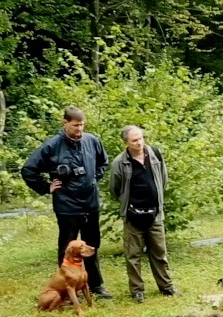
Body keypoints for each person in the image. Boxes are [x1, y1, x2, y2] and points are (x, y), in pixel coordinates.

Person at [22, 107, 113, 299]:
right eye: (75, 125)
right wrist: (46, 187)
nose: (79, 129)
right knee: (67, 247)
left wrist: (93, 178)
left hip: (90, 202)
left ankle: (96, 285)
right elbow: (28, 170)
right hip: (67, 205)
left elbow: (103, 161)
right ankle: (68, 287)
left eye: (82, 125)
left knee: (91, 245)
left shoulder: (91, 140)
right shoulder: (52, 146)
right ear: (65, 123)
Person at [109, 125, 178, 303]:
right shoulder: (119, 162)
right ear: (126, 142)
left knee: (159, 253)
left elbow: (164, 179)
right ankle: (137, 291)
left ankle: (167, 287)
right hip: (132, 215)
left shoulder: (155, 154)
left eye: (141, 138)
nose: (139, 143)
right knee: (133, 255)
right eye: (134, 140)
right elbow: (115, 189)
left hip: (155, 213)